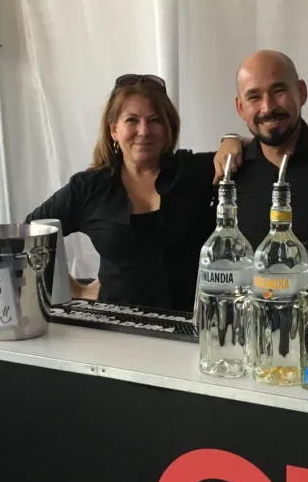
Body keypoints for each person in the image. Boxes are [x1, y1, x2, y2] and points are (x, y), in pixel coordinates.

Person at [25, 74, 215, 309]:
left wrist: (232, 140)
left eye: (154, 120)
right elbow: (28, 235)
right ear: (114, 130)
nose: (144, 131)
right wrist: (77, 289)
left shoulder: (196, 172)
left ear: (168, 129)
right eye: (132, 120)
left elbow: (252, 154)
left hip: (191, 324)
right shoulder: (89, 188)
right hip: (116, 326)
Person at [213, 51, 308, 271]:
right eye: (254, 97)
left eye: (278, 91)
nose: (268, 107)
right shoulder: (228, 172)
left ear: (302, 92)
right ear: (240, 108)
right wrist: (230, 137)